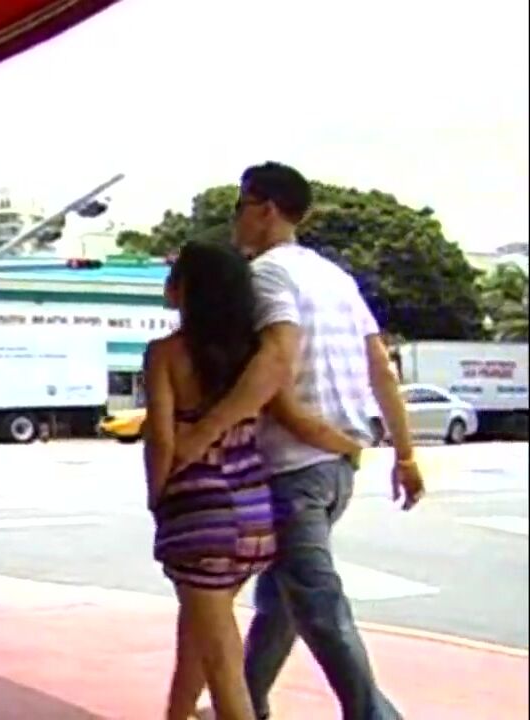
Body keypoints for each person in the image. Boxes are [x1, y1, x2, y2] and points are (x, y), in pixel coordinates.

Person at [172, 162, 425, 720]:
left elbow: (274, 362)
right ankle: (247, 701)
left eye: (240, 207)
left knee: (316, 604)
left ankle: (374, 715)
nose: (235, 220)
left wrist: (204, 433)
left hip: (293, 465)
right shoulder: (335, 277)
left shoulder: (266, 275)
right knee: (280, 599)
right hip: (338, 467)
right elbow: (380, 366)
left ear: (266, 209)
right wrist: (404, 454)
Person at [143, 240, 364, 720]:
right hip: (255, 512)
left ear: (187, 289)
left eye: (174, 276)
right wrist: (349, 445)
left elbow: (160, 438)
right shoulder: (253, 358)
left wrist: (159, 498)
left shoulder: (165, 354)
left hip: (201, 515)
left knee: (223, 662)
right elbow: (296, 418)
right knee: (199, 634)